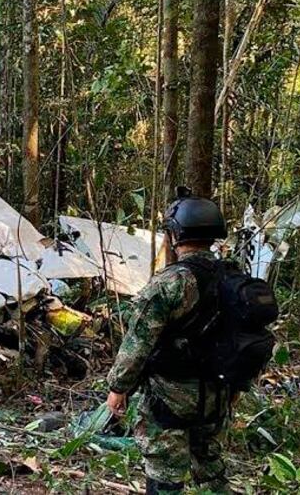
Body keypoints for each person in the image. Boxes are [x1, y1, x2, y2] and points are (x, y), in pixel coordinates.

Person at [106, 189, 232, 495]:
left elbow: (138, 343)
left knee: (165, 473)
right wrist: (237, 387)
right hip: (217, 394)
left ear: (176, 234)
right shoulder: (232, 277)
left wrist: (118, 388)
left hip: (170, 397)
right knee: (211, 467)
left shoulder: (170, 283)